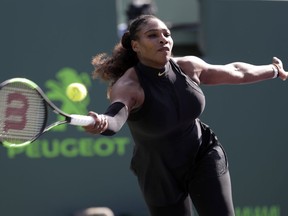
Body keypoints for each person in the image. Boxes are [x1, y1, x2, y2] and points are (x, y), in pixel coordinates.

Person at [84, 14, 287, 216]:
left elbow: (236, 71)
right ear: (136, 46)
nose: (163, 39)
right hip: (159, 174)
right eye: (152, 35)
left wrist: (273, 70)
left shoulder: (188, 67)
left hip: (202, 154)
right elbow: (115, 118)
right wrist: (102, 122)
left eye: (167, 34)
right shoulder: (129, 86)